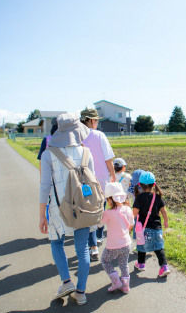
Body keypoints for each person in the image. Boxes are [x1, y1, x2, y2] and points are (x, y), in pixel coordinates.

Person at [39, 113, 94, 305]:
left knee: (56, 243)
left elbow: (44, 187)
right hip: (83, 208)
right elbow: (92, 183)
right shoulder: (86, 153)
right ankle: (81, 292)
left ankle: (66, 281)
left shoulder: (48, 154)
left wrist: (42, 215)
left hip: (57, 209)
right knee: (83, 250)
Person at [80, 108, 116, 259]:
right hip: (101, 180)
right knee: (101, 209)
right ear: (91, 121)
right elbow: (108, 159)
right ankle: (99, 235)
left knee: (89, 211)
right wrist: (113, 174)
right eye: (96, 120)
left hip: (84, 181)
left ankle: (93, 245)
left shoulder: (76, 136)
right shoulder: (100, 135)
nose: (97, 123)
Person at [133, 171, 171, 277]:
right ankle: (164, 267)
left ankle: (141, 264)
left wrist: (130, 223)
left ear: (140, 185)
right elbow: (164, 211)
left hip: (144, 229)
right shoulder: (157, 198)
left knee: (141, 246)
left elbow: (134, 213)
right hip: (157, 228)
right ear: (154, 185)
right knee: (159, 248)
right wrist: (166, 221)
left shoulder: (139, 198)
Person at [100, 182, 134, 293]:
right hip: (126, 244)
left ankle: (116, 282)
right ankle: (125, 286)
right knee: (124, 264)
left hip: (113, 245)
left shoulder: (108, 213)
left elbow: (99, 224)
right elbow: (131, 224)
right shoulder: (128, 209)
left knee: (105, 261)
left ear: (110, 200)